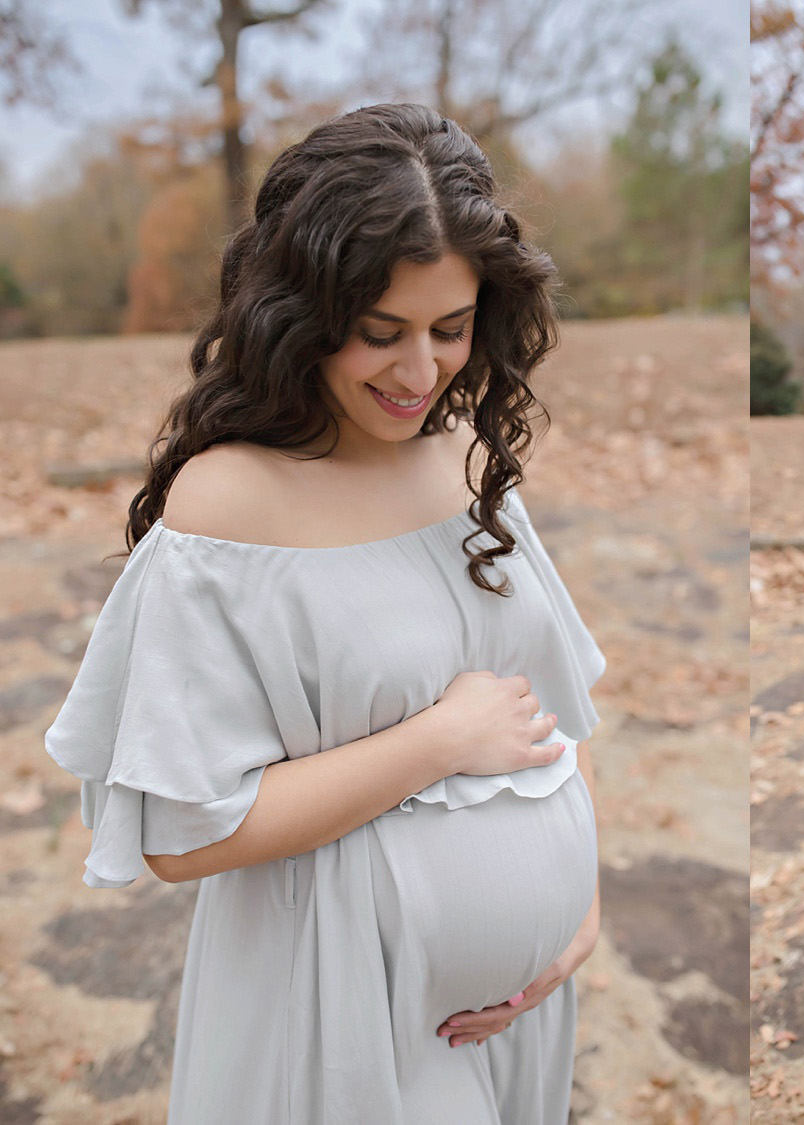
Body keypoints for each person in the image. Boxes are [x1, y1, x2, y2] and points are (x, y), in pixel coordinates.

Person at [44, 103, 605, 1124]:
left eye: (450, 329)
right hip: (333, 1002)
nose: (419, 371)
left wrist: (581, 907)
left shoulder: (464, 461)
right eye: (378, 333)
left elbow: (544, 708)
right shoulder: (227, 505)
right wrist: (437, 741)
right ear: (301, 313)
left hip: (519, 1015)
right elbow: (182, 834)